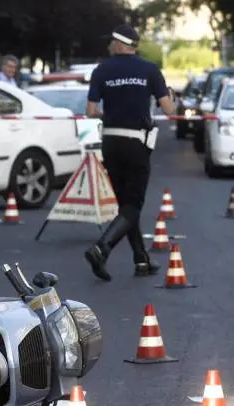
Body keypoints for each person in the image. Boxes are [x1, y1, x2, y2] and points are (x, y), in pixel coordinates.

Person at [83, 24, 178, 281]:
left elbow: (90, 111)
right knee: (133, 204)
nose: (108, 46)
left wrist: (110, 115)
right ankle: (101, 248)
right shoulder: (149, 69)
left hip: (110, 141)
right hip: (136, 142)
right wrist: (171, 97)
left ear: (120, 43)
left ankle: (141, 259)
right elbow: (169, 109)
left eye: (110, 41)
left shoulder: (101, 70)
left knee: (125, 204)